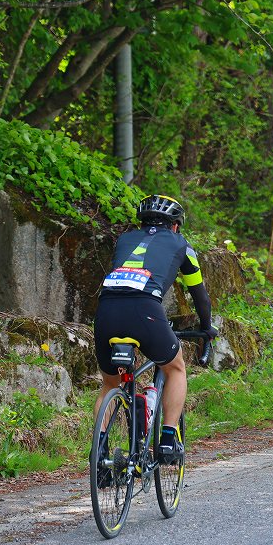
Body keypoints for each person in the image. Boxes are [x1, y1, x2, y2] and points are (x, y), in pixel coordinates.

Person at [94, 195, 216, 466]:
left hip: (106, 310)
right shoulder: (182, 245)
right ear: (175, 226)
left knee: (109, 384)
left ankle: (99, 455)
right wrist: (207, 329)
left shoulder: (125, 239)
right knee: (176, 368)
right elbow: (201, 297)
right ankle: (169, 439)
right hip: (145, 311)